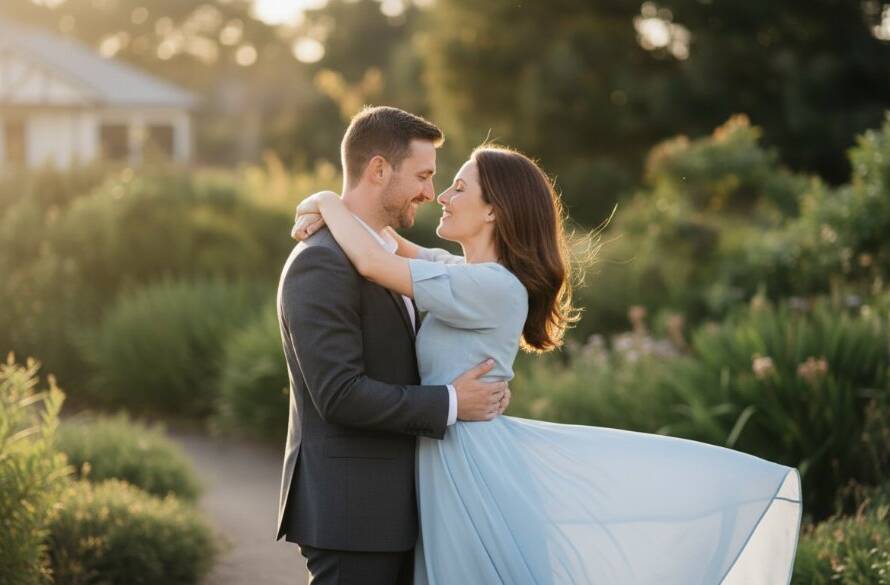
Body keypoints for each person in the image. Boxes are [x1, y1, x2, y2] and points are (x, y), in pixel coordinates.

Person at [292, 132, 803, 584]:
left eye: (458, 188)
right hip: (444, 452)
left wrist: (322, 200)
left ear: (494, 210)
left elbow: (373, 260)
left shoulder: (492, 287)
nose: (441, 195)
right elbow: (390, 243)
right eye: (435, 181)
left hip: (469, 460)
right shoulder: (458, 270)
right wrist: (340, 211)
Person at [274, 106, 512, 585]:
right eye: (424, 176)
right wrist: (451, 401)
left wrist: (324, 200)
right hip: (353, 514)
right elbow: (339, 394)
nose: (431, 192)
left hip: (401, 511)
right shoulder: (321, 263)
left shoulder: (385, 253)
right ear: (379, 169)